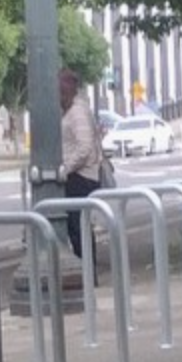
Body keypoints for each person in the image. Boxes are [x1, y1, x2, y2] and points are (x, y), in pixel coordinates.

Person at [58, 68, 103, 257]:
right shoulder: (73, 110)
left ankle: (87, 273)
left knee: (78, 227)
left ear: (66, 88)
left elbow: (84, 147)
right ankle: (86, 272)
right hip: (79, 175)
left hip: (81, 177)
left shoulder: (77, 112)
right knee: (77, 227)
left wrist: (65, 169)